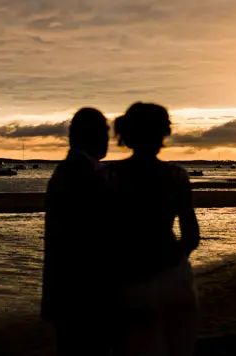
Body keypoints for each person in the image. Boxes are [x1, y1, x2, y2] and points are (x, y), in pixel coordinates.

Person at [106, 102, 201, 356]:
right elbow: (191, 235)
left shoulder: (111, 175)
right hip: (172, 276)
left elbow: (101, 234)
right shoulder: (176, 175)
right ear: (163, 134)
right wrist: (175, 260)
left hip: (130, 277)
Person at [41, 107, 112, 356]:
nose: (109, 140)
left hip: (72, 294)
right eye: (105, 133)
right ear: (89, 135)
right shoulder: (78, 173)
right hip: (82, 296)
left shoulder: (76, 171)